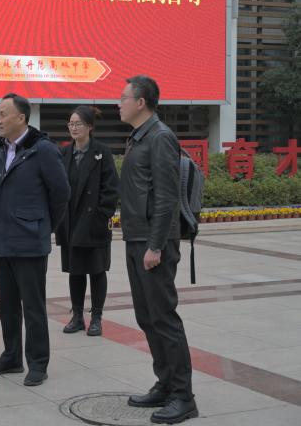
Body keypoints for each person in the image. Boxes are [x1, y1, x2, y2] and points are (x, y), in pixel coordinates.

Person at [119, 76, 198, 424]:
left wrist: (155, 245)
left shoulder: (161, 137)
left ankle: (183, 396)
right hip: (136, 238)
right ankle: (165, 384)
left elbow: (167, 197)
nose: (118, 103)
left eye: (123, 98)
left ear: (141, 102)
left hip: (154, 244)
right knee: (147, 317)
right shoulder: (139, 137)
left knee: (163, 318)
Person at [0, 93, 70, 387]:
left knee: (33, 306)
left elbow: (61, 193)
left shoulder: (42, 150)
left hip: (30, 241)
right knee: (7, 305)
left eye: (3, 114)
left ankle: (38, 362)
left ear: (21, 118)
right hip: (3, 239)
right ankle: (11, 357)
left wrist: (43, 226)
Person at [55, 106, 119, 337]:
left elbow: (111, 189)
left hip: (94, 223)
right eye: (71, 124)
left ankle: (96, 318)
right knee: (75, 271)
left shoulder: (102, 152)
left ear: (90, 127)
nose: (73, 128)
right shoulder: (63, 153)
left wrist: (101, 215)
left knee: (97, 270)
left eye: (78, 124)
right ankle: (77, 316)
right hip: (70, 222)